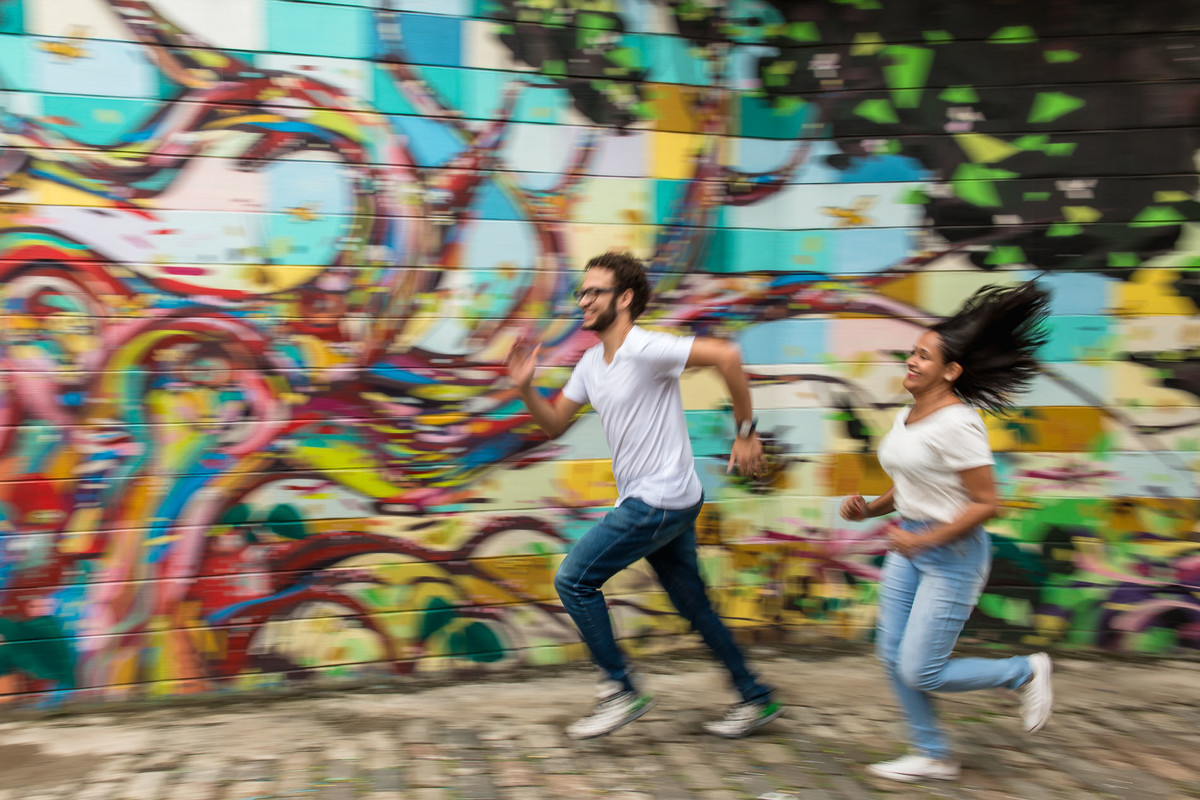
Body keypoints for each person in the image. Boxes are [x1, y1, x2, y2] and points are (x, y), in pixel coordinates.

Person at [507, 251, 782, 740]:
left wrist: (745, 432)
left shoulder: (647, 347)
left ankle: (619, 690)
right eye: (582, 292)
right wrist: (526, 389)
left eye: (594, 292)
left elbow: (726, 356)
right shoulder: (592, 363)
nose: (583, 300)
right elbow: (554, 425)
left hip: (659, 499)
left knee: (574, 581)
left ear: (625, 298)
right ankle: (754, 695)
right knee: (694, 605)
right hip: (667, 499)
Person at [840, 281, 1056, 783]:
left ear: (950, 371)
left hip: (951, 554)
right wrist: (870, 509)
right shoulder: (909, 415)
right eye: (912, 353)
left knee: (921, 668)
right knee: (891, 654)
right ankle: (932, 753)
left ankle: (1024, 671)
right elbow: (912, 484)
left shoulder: (959, 424)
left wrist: (924, 541)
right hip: (909, 545)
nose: (911, 361)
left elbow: (986, 503)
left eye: (923, 356)